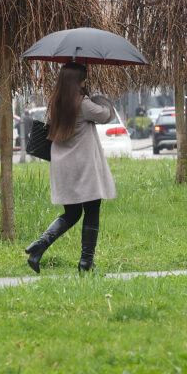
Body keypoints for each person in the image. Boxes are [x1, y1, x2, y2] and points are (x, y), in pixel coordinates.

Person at [24, 62, 116, 273]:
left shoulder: (56, 102)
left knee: (73, 212)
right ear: (78, 82)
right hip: (83, 167)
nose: (85, 82)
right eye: (83, 79)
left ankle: (39, 246)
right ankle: (86, 262)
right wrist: (95, 96)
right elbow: (106, 115)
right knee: (92, 209)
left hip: (63, 167)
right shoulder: (83, 104)